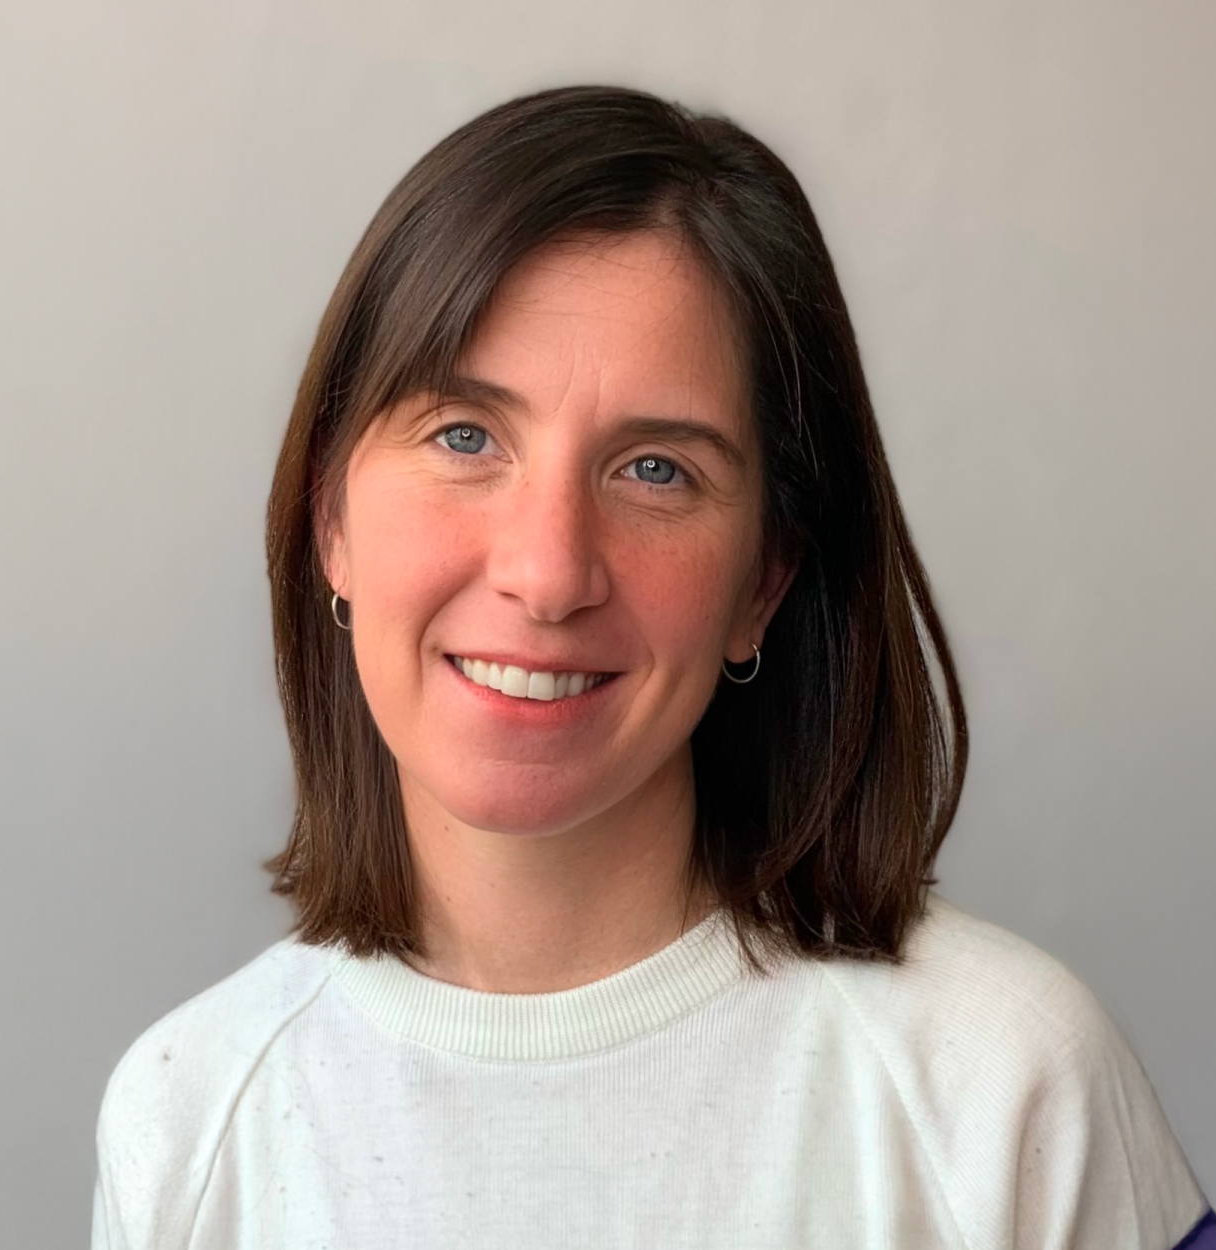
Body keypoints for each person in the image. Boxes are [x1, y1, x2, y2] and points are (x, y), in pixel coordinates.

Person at [90, 85, 1212, 1250]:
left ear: (763, 579)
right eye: (464, 436)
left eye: (655, 470)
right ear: (331, 519)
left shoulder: (1005, 1085)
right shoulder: (185, 1121)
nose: (547, 570)